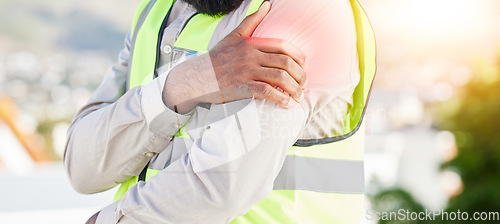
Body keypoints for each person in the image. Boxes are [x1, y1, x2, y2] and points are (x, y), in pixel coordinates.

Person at [64, 0, 376, 223]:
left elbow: (221, 187)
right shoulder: (154, 11)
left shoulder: (304, 8)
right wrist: (185, 83)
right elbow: (82, 167)